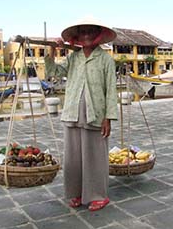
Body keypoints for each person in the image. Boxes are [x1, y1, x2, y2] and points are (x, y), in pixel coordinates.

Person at [45, 18, 118, 211]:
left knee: (95, 157)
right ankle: (75, 193)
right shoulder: (73, 58)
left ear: (98, 35)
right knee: (73, 157)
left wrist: (108, 118)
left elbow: (111, 91)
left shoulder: (106, 60)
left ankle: (98, 195)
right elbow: (52, 72)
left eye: (90, 32)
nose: (86, 35)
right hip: (72, 112)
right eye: (83, 32)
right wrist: (53, 50)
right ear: (77, 36)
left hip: (95, 114)